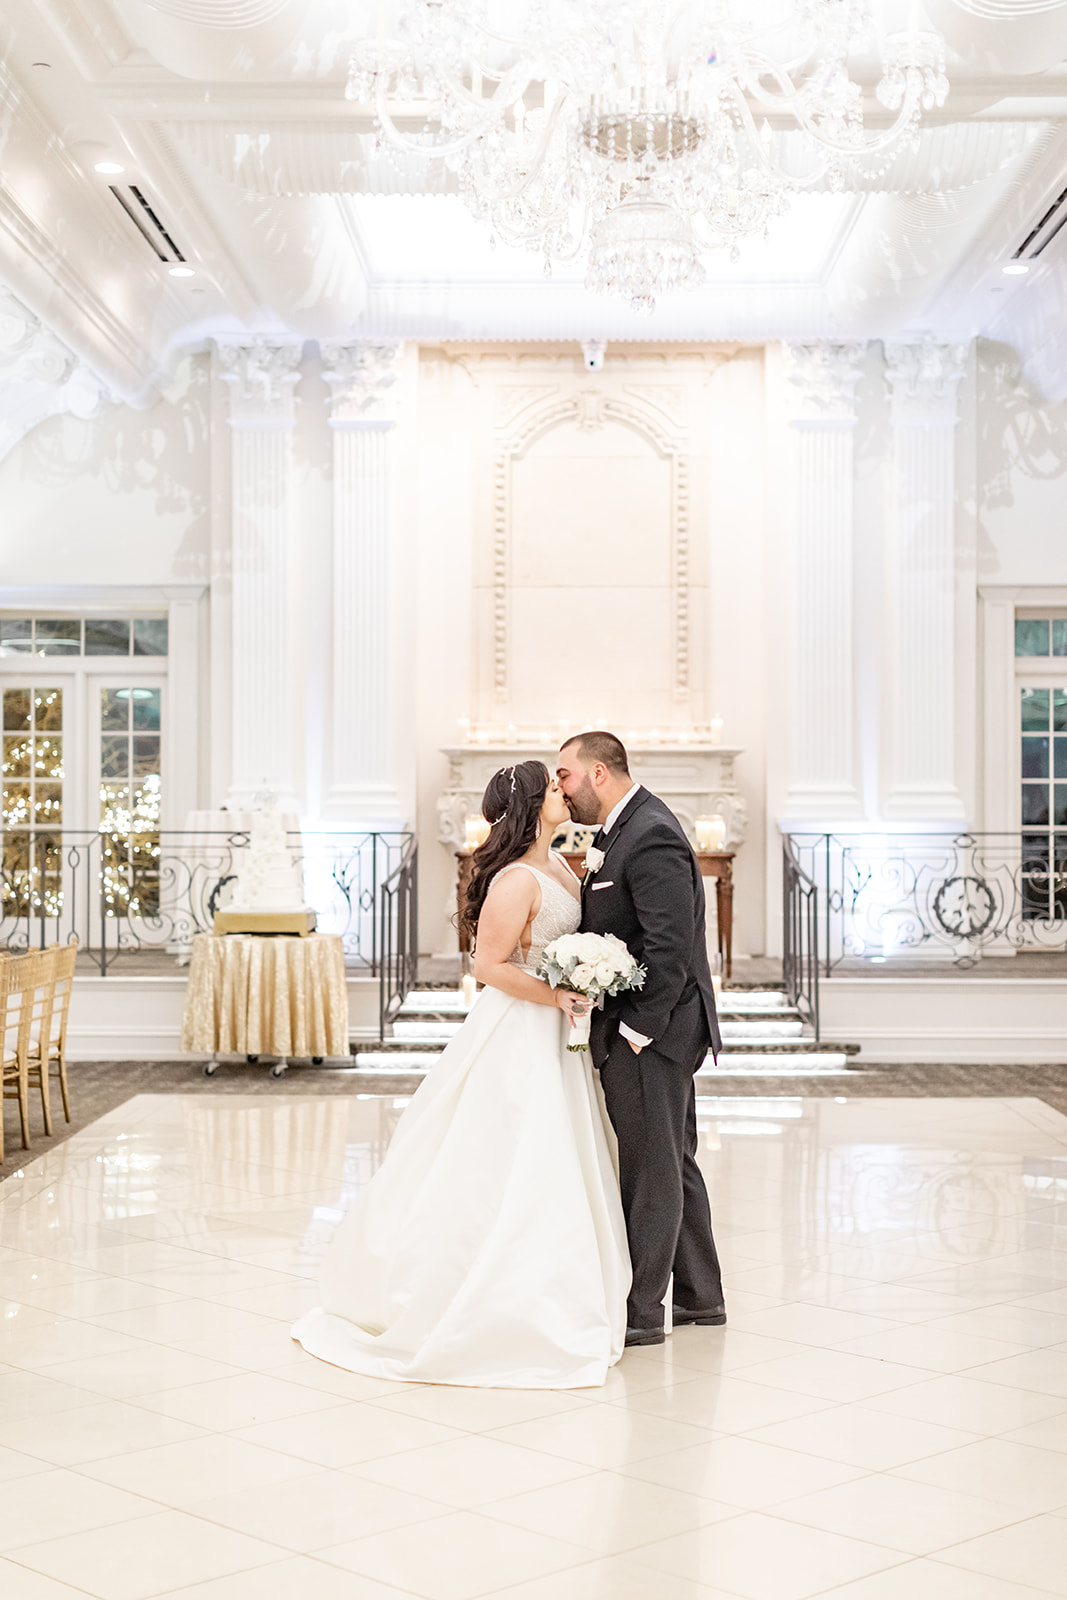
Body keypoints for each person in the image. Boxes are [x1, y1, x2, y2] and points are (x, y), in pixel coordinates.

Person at [291, 759, 630, 1388]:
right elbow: (487, 966)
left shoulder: (560, 863)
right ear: (531, 804)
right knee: (509, 1154)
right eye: (553, 787)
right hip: (520, 1028)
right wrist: (557, 995)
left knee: (558, 1154)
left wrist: (586, 974)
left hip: (558, 1029)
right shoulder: (514, 879)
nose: (564, 792)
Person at [556, 730, 726, 1346]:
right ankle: (703, 1298)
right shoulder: (620, 831)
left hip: (654, 1032)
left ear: (599, 773)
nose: (563, 789)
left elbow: (669, 946)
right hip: (656, 1029)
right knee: (672, 1162)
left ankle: (643, 1312)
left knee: (650, 1169)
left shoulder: (649, 832)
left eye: (567, 775)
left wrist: (636, 1029)